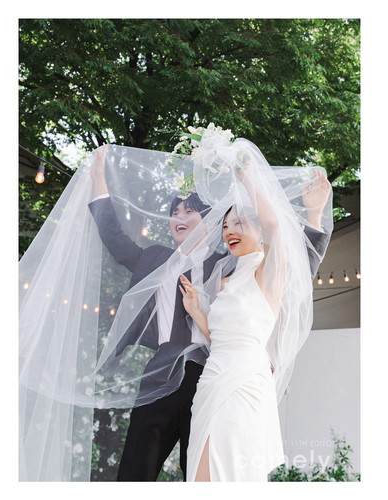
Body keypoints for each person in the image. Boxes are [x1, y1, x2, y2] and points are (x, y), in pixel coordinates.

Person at [88, 143, 331, 481]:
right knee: (134, 474)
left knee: (211, 470)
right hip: (159, 374)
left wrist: (314, 219)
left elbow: (291, 268)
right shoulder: (154, 260)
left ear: (208, 221)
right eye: (174, 212)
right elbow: (114, 239)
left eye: (188, 211)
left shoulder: (230, 265)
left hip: (211, 373)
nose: (178, 217)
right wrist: (98, 182)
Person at [178, 155, 330, 481]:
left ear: (260, 231)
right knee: (201, 471)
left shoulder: (269, 272)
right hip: (211, 383)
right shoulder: (225, 282)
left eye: (240, 224)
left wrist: (244, 173)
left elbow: (274, 224)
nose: (229, 231)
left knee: (229, 469)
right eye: (225, 226)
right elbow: (220, 339)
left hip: (245, 383)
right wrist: (197, 313)